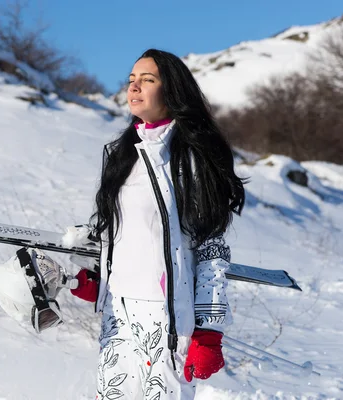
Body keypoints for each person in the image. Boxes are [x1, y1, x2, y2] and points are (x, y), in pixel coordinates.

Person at [69, 49, 246, 400]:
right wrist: (99, 280)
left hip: (167, 318)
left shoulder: (191, 157)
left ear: (173, 90)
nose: (134, 88)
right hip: (118, 315)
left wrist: (208, 333)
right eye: (131, 80)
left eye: (147, 80)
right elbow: (117, 234)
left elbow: (212, 247)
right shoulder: (123, 155)